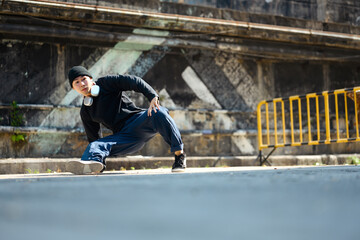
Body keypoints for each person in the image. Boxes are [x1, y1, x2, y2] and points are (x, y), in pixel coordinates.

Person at [65, 66, 186, 174]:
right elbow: (94, 137)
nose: (81, 84)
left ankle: (179, 156)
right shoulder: (86, 111)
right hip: (124, 137)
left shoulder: (106, 83)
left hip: (138, 122)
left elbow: (133, 81)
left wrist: (152, 96)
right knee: (94, 145)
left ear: (91, 79)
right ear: (73, 88)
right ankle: (94, 164)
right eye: (76, 82)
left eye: (84, 79)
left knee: (158, 111)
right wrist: (99, 156)